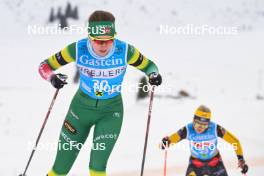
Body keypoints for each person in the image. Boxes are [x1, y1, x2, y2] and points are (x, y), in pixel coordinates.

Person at [39, 10, 162, 176]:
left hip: (111, 112)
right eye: (98, 41)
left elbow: (149, 66)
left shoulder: (125, 51)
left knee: (97, 166)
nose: (104, 45)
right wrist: (53, 78)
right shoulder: (77, 49)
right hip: (80, 110)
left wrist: (153, 75)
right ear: (90, 37)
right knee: (61, 167)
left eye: (109, 40)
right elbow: (44, 67)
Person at [161, 105, 248, 176]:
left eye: (204, 125)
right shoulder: (187, 129)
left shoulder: (215, 128)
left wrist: (241, 160)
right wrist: (165, 143)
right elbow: (168, 142)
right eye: (197, 123)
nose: (200, 128)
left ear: (208, 124)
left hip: (215, 163)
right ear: (193, 120)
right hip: (196, 165)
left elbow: (234, 141)